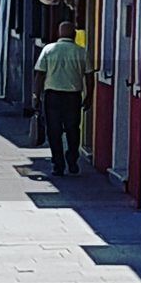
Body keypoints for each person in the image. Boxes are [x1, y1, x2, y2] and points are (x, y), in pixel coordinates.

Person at [34, 22, 94, 177]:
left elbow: (39, 74)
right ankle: (72, 159)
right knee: (73, 130)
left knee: (54, 132)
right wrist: (89, 97)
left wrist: (36, 95)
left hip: (52, 96)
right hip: (72, 97)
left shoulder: (48, 49)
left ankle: (57, 165)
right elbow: (89, 76)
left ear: (59, 33)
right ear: (74, 35)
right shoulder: (81, 52)